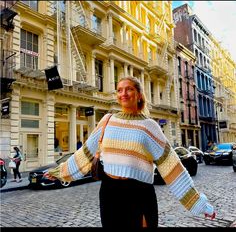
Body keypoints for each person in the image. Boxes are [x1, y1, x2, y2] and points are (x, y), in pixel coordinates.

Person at [44, 76, 216, 228]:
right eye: (119, 90)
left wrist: (198, 204)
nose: (123, 93)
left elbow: (173, 168)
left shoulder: (150, 127)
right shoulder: (107, 120)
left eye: (129, 89)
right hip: (109, 192)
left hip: (139, 194)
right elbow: (86, 153)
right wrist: (60, 172)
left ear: (139, 94)